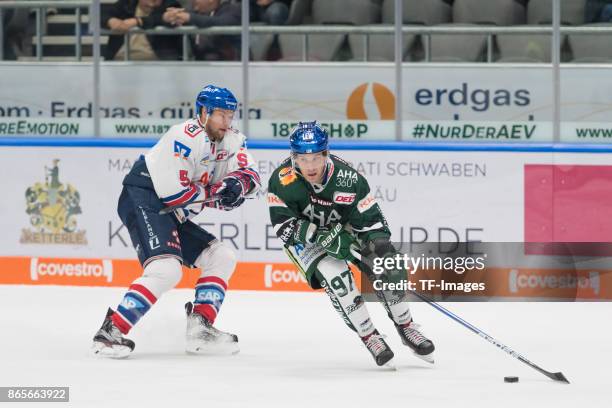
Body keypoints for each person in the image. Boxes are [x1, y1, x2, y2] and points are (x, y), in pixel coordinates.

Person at [92, 85, 261, 358]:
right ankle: (109, 333)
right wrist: (220, 194)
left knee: (222, 256)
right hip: (145, 197)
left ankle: (200, 328)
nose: (227, 122)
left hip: (173, 209)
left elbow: (251, 174)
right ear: (203, 113)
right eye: (221, 115)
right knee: (166, 270)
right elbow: (176, 195)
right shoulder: (183, 136)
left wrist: (237, 184)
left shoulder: (232, 139)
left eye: (231, 116)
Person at [267, 121, 435, 367]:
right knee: (337, 279)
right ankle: (369, 336)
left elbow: (372, 222)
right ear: (293, 157)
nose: (310, 165)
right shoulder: (281, 181)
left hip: (344, 228)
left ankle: (406, 326)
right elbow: (283, 227)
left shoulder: (349, 179)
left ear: (326, 153)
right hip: (304, 239)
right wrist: (319, 235)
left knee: (388, 263)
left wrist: (377, 250)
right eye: (303, 159)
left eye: (316, 157)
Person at [102, 0, 183, 60]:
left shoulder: (171, 5)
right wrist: (110, 20)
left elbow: (166, 18)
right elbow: (101, 14)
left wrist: (138, 21)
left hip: (155, 62)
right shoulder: (127, 4)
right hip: (119, 60)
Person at [163, 0, 241, 60]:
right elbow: (177, 20)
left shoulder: (233, 9)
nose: (193, 1)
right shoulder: (196, 12)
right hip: (201, 66)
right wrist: (169, 17)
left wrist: (189, 17)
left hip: (232, 66)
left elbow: (221, 22)